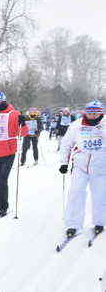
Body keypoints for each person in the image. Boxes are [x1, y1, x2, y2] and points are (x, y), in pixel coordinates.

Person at [59, 100, 105, 239]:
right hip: (80, 166)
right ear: (85, 112)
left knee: (100, 195)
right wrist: (64, 163)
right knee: (75, 193)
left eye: (95, 112)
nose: (92, 115)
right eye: (89, 112)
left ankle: (100, 222)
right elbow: (66, 143)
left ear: (100, 112)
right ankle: (73, 224)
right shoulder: (76, 125)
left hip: (101, 167)